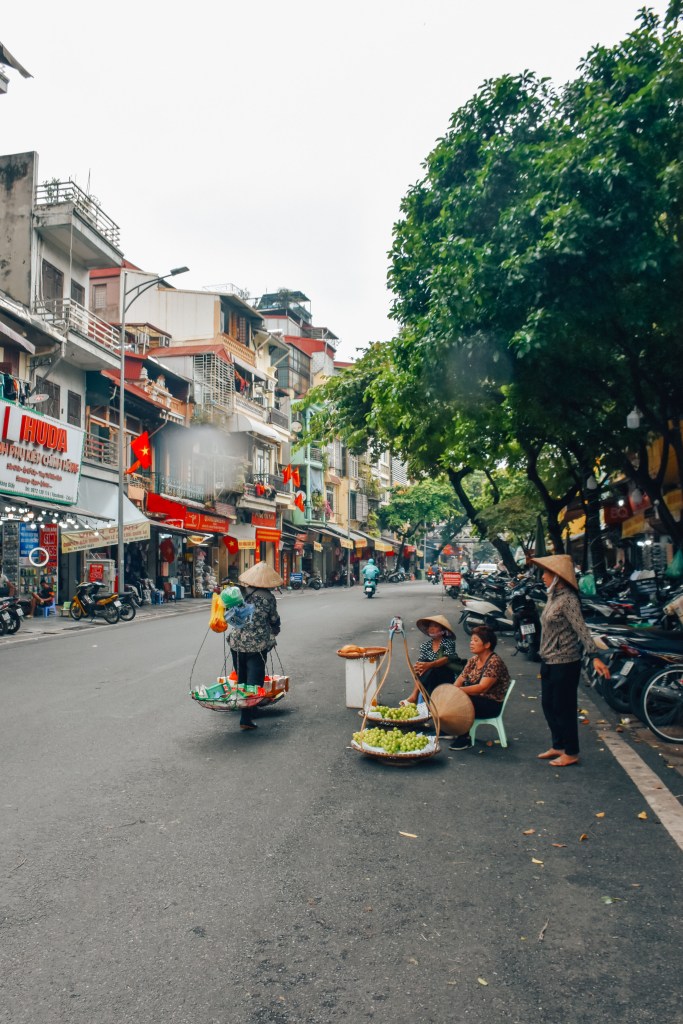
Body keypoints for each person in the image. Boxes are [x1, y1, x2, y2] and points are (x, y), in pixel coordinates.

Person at [530, 554, 610, 768]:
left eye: (547, 573)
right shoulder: (553, 597)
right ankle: (558, 745)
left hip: (565, 662)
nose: (543, 577)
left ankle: (571, 752)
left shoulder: (569, 600)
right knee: (548, 704)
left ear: (558, 577)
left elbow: (582, 630)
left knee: (564, 707)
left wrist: (594, 656)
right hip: (548, 659)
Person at [227, 561, 283, 731]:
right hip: (257, 646)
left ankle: (248, 709)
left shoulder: (240, 594)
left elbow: (230, 613)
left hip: (236, 643)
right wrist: (275, 629)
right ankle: (246, 716)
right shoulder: (268, 598)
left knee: (242, 679)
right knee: (254, 682)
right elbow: (274, 619)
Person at [448, 624, 511, 750]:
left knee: (462, 700)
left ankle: (465, 737)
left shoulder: (494, 662)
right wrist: (451, 692)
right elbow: (460, 678)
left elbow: (482, 687)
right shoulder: (474, 660)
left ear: (487, 645)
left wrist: (459, 692)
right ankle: (450, 729)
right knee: (452, 698)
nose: (471, 643)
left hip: (491, 704)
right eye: (471, 640)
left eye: (476, 640)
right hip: (476, 699)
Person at [401, 614, 461, 705]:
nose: (432, 628)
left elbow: (447, 659)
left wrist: (430, 665)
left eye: (436, 626)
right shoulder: (425, 646)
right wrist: (418, 666)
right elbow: (422, 662)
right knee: (424, 666)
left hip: (445, 674)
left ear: (443, 630)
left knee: (430, 666)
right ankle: (419, 698)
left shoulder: (449, 643)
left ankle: (414, 696)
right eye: (430, 626)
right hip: (429, 676)